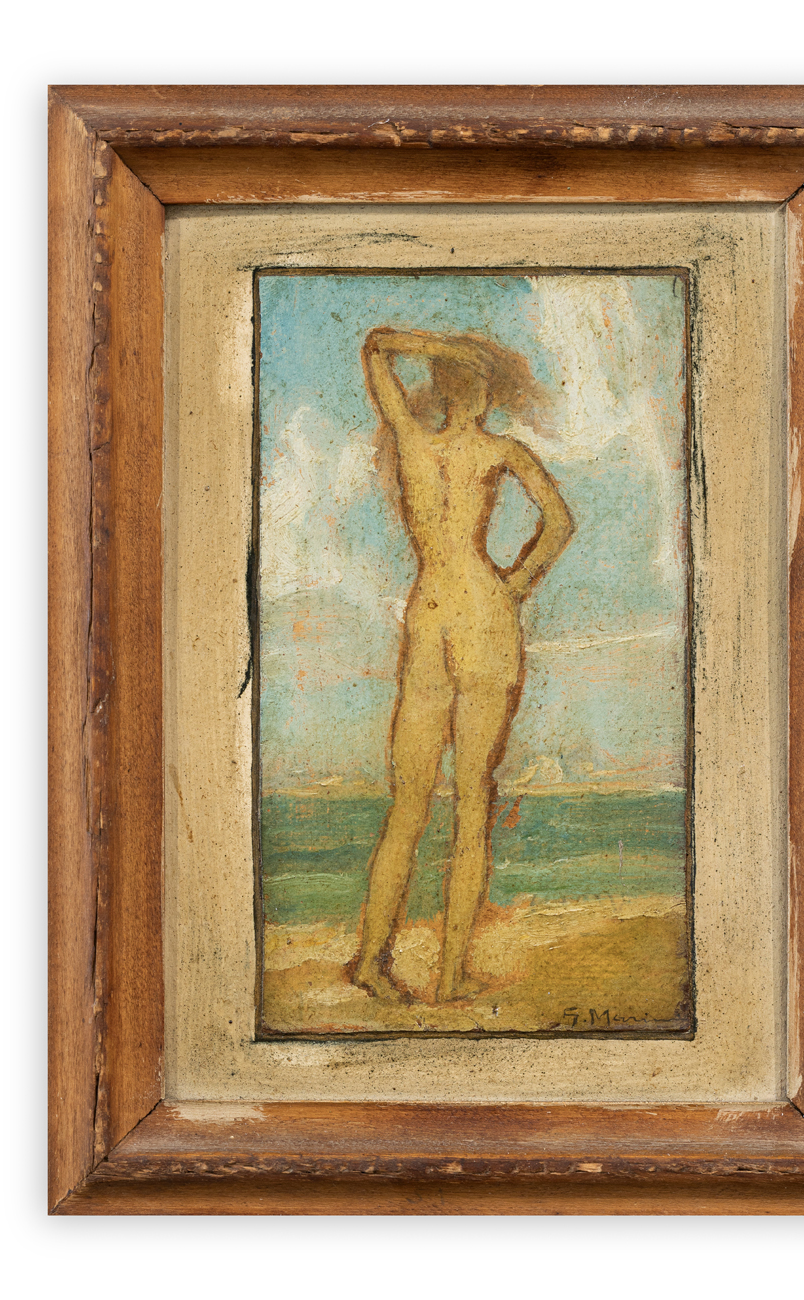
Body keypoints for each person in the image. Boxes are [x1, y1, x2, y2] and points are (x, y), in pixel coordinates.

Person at [351, 326, 574, 1003]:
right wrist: (516, 582)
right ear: (483, 395)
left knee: (409, 803)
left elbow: (375, 349)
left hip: (431, 615)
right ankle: (449, 975)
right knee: (473, 800)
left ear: (445, 390)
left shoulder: (413, 443)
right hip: (484, 615)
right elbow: (559, 523)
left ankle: (372, 962)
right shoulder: (502, 451)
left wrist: (435, 349)